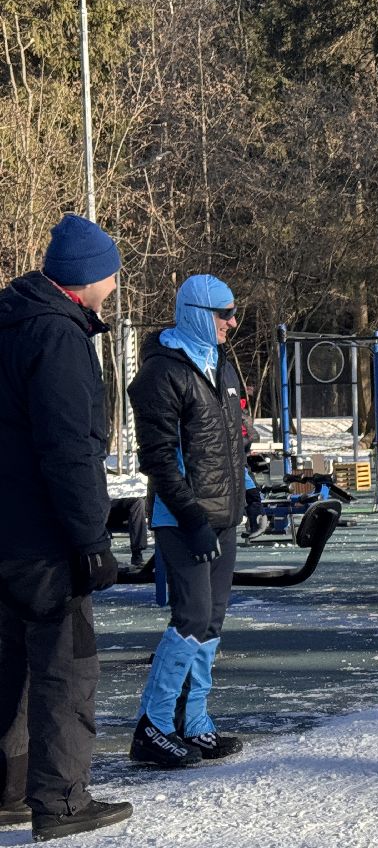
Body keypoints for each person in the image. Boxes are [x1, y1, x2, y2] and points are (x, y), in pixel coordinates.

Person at [0, 213, 132, 841]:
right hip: (45, 537)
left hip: (7, 529)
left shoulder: (12, 323)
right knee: (65, 664)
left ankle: (9, 790)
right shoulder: (58, 336)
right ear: (85, 278)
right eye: (111, 273)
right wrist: (90, 540)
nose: (115, 284)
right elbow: (70, 449)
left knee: (10, 664)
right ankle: (61, 801)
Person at [127, 274, 248, 766]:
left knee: (212, 620)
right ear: (199, 314)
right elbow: (158, 459)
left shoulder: (221, 365)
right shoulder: (163, 373)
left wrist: (246, 491)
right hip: (182, 518)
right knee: (191, 617)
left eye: (232, 314)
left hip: (223, 514)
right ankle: (153, 724)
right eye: (224, 314)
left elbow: (230, 442)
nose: (231, 323)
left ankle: (192, 720)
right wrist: (192, 516)